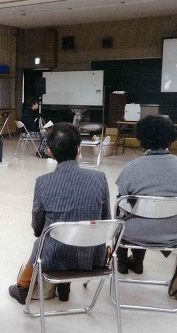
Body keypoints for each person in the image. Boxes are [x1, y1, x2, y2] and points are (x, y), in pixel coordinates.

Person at [9, 122, 110, 304]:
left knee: (44, 239)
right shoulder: (99, 178)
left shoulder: (43, 182)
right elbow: (105, 220)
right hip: (92, 256)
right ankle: (64, 288)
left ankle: (23, 288)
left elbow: (37, 226)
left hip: (54, 257)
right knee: (77, 227)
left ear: (50, 152)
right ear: (79, 150)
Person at [115, 115, 177, 274]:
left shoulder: (131, 168)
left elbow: (122, 202)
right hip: (173, 234)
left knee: (125, 213)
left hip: (133, 235)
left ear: (140, 138)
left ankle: (123, 262)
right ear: (171, 138)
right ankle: (137, 262)